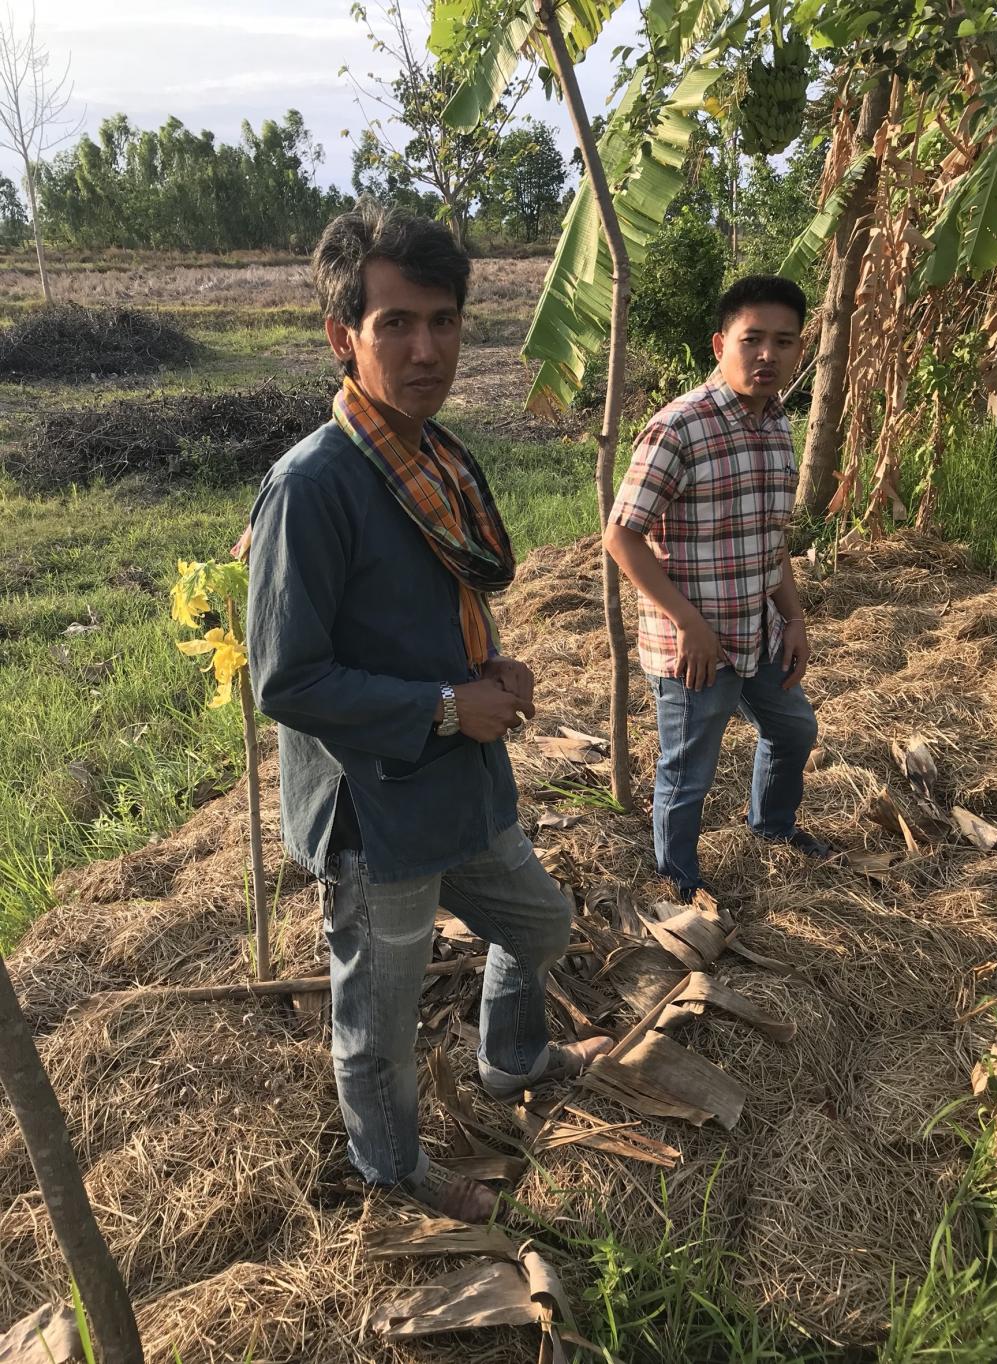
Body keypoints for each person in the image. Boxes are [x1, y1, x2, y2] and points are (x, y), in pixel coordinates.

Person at [245, 204, 610, 1224]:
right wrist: (450, 705)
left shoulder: (436, 458)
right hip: (378, 811)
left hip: (460, 781)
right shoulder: (312, 487)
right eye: (395, 323)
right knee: (380, 1018)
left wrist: (485, 665)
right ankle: (393, 1171)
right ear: (343, 335)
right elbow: (287, 680)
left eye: (443, 321)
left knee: (540, 922)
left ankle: (512, 1056)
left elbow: (428, 607)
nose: (426, 349)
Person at [604, 274, 830, 903]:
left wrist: (795, 619)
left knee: (794, 730)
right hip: (695, 648)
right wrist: (689, 624)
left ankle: (773, 826)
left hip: (758, 632)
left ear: (799, 349)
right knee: (688, 773)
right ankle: (678, 883)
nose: (767, 354)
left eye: (783, 341)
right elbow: (621, 536)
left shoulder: (776, 425)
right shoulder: (680, 428)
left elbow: (769, 539)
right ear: (719, 344)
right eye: (751, 339)